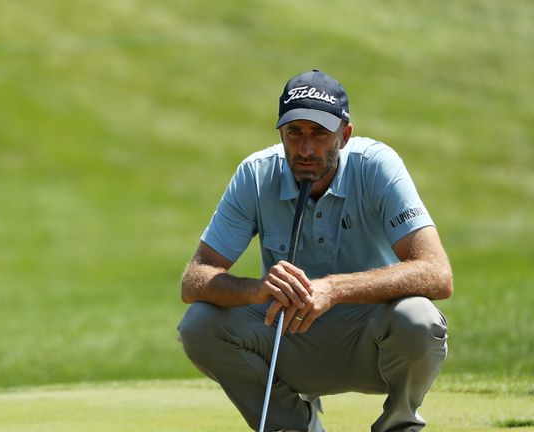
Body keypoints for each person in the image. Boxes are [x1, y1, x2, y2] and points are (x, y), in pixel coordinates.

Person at [177, 69, 452, 432]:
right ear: (281, 133)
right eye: (295, 133)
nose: (305, 149)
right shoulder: (256, 174)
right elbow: (194, 279)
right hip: (289, 340)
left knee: (419, 318)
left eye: (320, 134)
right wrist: (256, 289)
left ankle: (398, 425)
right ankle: (293, 427)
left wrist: (334, 289)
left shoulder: (377, 166)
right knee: (199, 325)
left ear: (345, 134)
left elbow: (437, 273)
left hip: (372, 341)